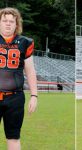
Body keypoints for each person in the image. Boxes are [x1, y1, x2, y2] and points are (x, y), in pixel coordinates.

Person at [0, 7, 37, 150]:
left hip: (15, 97)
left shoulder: (25, 42)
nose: (8, 24)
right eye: (4, 21)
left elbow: (30, 70)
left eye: (11, 21)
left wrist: (34, 95)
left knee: (13, 138)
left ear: (17, 24)